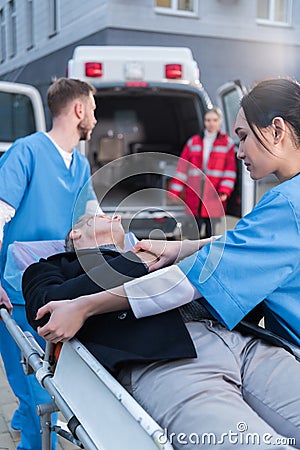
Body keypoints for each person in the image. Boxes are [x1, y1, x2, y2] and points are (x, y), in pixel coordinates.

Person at [32, 78, 300, 449]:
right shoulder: (59, 266)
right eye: (92, 219)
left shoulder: (286, 205)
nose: (238, 149)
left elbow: (233, 254)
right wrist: (175, 251)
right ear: (75, 239)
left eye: (242, 137)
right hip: (169, 363)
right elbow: (42, 298)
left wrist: (90, 303)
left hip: (245, 343)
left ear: (277, 130)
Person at [0, 77, 100, 450]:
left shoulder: (78, 164)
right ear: (78, 110)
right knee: (40, 398)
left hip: (53, 293)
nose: (95, 115)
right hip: (16, 295)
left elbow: (92, 217)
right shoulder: (27, 152)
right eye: (93, 107)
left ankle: (25, 421)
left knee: (40, 391)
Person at [23, 213, 212, 373]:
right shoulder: (48, 267)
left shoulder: (163, 254)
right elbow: (46, 310)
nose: (116, 216)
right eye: (100, 216)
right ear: (75, 233)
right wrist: (139, 260)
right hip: (166, 356)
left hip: (228, 331)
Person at [168, 107, 237, 238]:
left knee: (211, 230)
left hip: (214, 192)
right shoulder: (193, 142)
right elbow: (182, 168)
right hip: (195, 190)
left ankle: (208, 255)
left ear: (220, 121)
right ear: (204, 122)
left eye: (215, 120)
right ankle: (193, 255)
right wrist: (175, 192)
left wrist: (224, 190)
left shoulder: (227, 143)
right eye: (208, 120)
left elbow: (230, 170)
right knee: (194, 229)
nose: (211, 123)